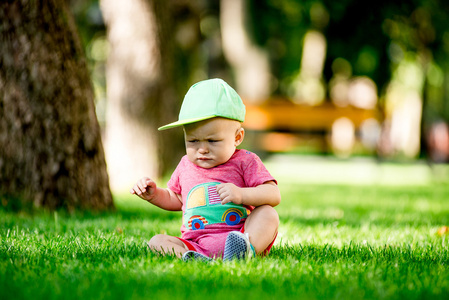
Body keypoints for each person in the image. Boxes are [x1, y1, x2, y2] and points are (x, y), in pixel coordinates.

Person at [130, 78, 280, 261]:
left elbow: (273, 194)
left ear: (237, 137)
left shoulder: (245, 161)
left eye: (212, 141)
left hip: (240, 234)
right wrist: (154, 195)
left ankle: (243, 252)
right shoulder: (186, 164)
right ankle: (192, 257)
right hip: (196, 243)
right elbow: (177, 198)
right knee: (156, 241)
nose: (202, 149)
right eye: (193, 141)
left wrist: (241, 194)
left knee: (268, 214)